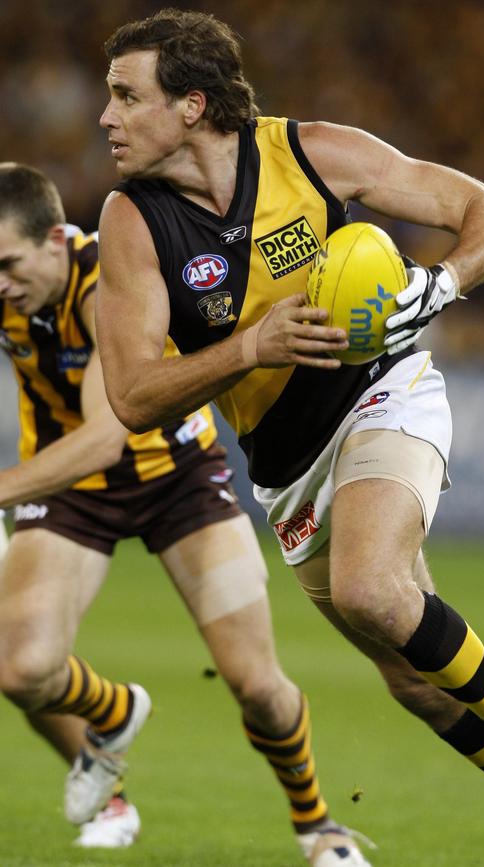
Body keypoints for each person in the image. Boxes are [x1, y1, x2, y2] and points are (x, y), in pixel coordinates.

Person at [94, 9, 484, 867]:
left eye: (127, 96)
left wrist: (442, 283)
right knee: (413, 682)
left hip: (383, 395)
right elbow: (130, 396)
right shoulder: (132, 223)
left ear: (192, 104)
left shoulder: (313, 153)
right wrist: (251, 346)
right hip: (286, 469)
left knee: (371, 591)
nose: (107, 117)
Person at [0, 162, 373, 865]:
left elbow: (107, 436)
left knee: (257, 684)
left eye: (7, 263)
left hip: (175, 475)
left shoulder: (104, 275)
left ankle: (319, 824)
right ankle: (113, 715)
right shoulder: (9, 283)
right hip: (73, 489)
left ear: (55, 239)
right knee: (21, 671)